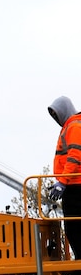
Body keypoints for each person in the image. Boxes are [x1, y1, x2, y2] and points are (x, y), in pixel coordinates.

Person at [48, 96, 81, 260]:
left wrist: (62, 181)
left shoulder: (74, 126)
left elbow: (75, 156)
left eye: (56, 114)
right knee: (73, 227)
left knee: (74, 227)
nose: (55, 118)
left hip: (75, 185)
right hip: (72, 184)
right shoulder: (71, 126)